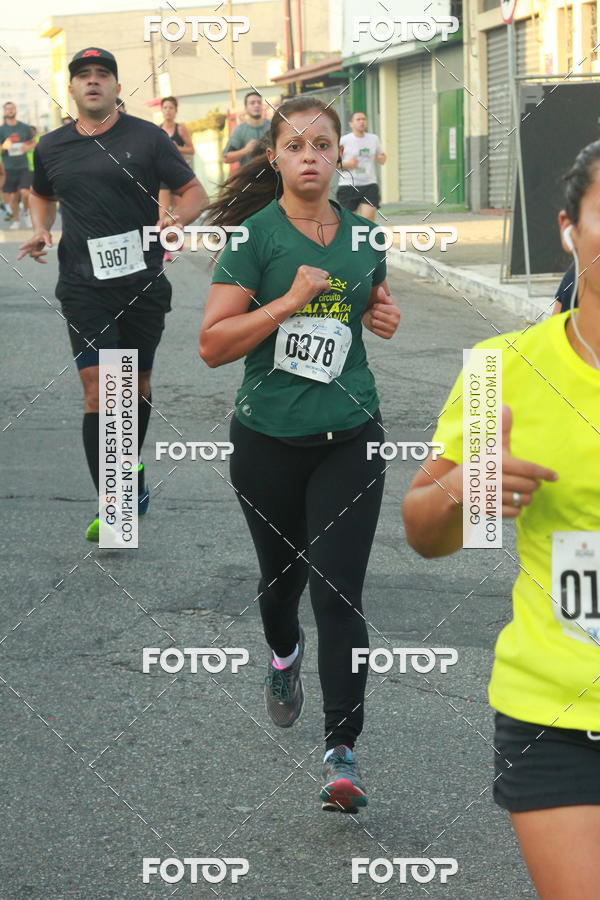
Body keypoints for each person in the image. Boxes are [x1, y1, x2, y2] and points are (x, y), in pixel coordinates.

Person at [402, 141, 600, 898]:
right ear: (567, 229)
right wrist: (467, 491)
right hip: (556, 710)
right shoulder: (502, 367)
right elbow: (423, 531)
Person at [200, 95, 401, 813]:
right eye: (296, 146)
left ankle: (342, 752)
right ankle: (283, 657)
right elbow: (213, 346)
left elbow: (372, 309)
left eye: (322, 144)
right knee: (281, 586)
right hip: (267, 443)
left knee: (338, 591)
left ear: (339, 155)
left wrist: (383, 314)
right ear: (276, 158)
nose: (311, 156)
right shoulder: (254, 239)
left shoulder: (365, 238)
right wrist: (285, 302)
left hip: (350, 437)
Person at [17, 47, 207, 541]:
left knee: (136, 386)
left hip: (141, 282)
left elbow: (194, 192)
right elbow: (41, 192)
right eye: (84, 76)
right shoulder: (52, 146)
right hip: (83, 285)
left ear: (117, 87)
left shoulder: (147, 138)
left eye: (103, 75)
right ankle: (116, 502)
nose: (94, 82)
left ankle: (131, 469)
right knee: (102, 388)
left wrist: (175, 219)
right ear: (73, 89)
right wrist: (41, 228)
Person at [158, 96, 195, 262]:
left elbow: (191, 149)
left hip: (179, 176)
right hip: (163, 176)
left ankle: (175, 237)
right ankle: (165, 248)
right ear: (162, 110)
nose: (168, 111)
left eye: (171, 108)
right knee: (163, 212)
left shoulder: (181, 129)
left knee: (178, 212)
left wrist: (176, 148)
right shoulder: (157, 130)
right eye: (165, 108)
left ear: (175, 110)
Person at [336, 111, 386, 222]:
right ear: (351, 124)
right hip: (348, 184)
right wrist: (348, 164)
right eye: (358, 119)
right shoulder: (344, 141)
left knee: (368, 219)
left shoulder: (374, 139)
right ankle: (351, 239)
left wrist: (377, 158)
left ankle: (367, 239)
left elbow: (383, 158)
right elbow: (333, 163)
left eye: (364, 119)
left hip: (369, 184)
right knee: (349, 221)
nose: (362, 122)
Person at [0, 101, 35, 229]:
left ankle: (26, 212)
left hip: (23, 166)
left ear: (16, 111)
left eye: (12, 108)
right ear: (4, 112)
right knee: (13, 197)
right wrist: (3, 147)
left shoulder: (24, 128)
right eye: (8, 109)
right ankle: (16, 219)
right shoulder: (2, 130)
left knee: (26, 193)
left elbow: (32, 142)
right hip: (9, 168)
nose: (10, 110)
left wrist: (27, 147)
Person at [222, 91, 270, 169]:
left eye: (259, 102)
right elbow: (225, 158)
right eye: (252, 103)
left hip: (273, 175)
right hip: (250, 177)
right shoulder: (239, 130)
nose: (256, 105)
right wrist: (245, 150)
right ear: (246, 108)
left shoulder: (272, 125)